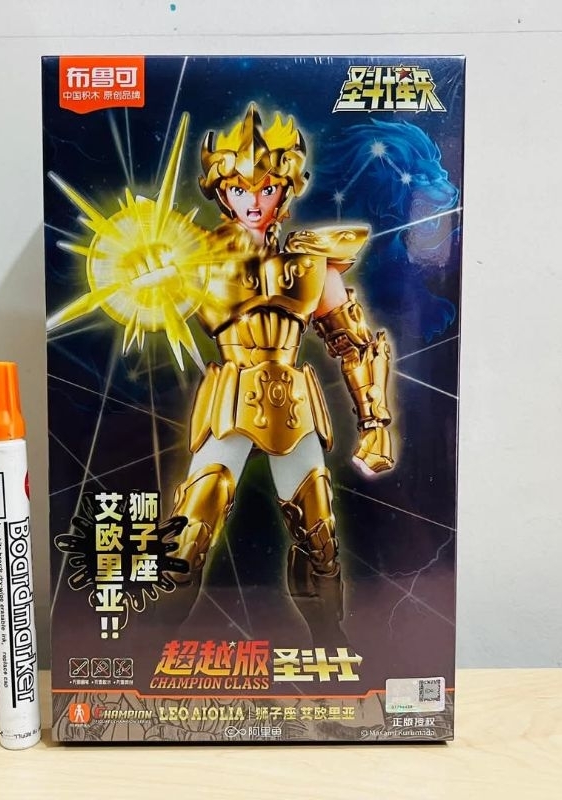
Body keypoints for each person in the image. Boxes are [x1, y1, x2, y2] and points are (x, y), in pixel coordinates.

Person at [160, 104, 396, 644]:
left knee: (320, 539)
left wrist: (376, 422)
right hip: (228, 398)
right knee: (188, 536)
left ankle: (329, 645)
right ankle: (149, 650)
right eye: (239, 189)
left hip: (293, 401)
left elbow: (355, 345)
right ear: (222, 192)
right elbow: (146, 296)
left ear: (286, 189)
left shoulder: (312, 263)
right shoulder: (196, 261)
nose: (254, 201)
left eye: (266, 189)